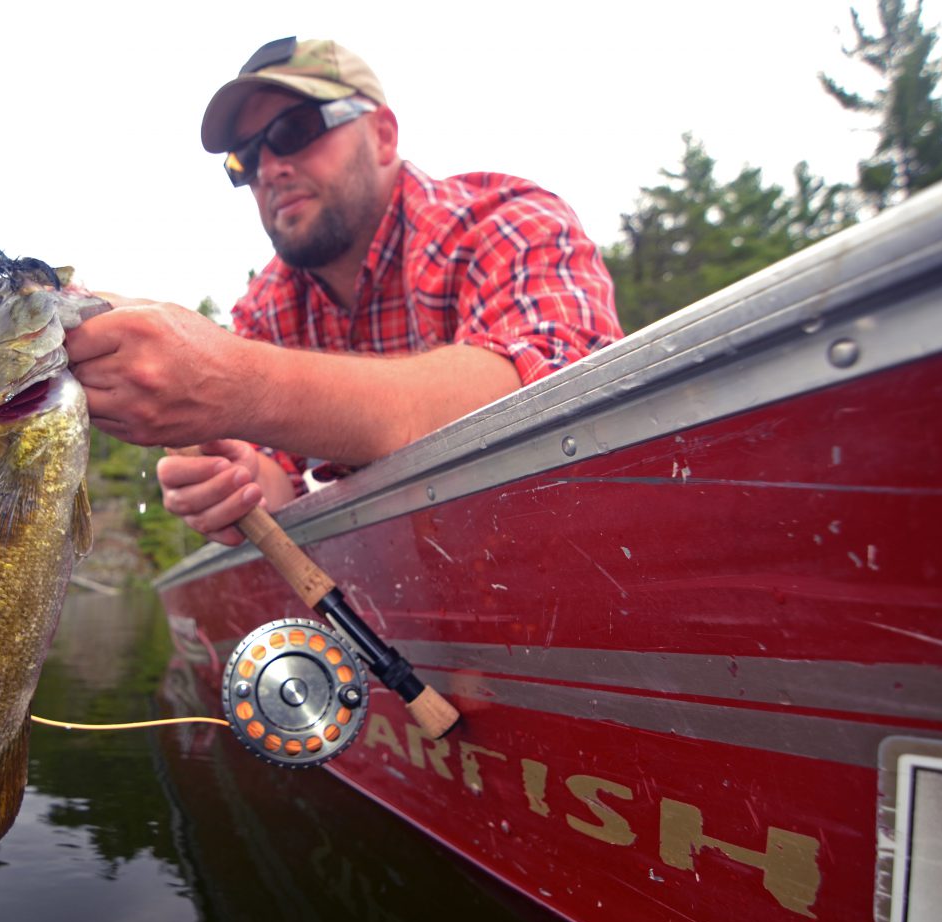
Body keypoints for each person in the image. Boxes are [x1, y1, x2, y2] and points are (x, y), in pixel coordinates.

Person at [65, 37, 621, 546]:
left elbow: (564, 393)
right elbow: (280, 485)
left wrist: (240, 386)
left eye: (295, 131)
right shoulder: (263, 310)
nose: (271, 169)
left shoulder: (506, 222)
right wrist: (235, 482)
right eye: (246, 159)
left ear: (383, 134)